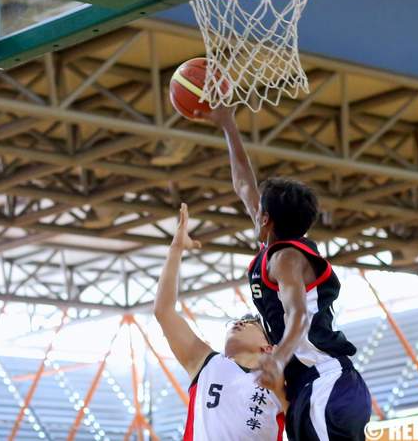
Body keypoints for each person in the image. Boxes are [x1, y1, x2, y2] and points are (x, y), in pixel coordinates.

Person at [204, 107, 372, 441]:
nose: (253, 210)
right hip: (308, 388)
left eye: (259, 211)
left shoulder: (286, 259)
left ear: (265, 219)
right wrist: (227, 124)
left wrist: (278, 359)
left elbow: (297, 315)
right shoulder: (277, 246)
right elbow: (243, 183)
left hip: (326, 381)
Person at [154, 204, 287, 441]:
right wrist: (176, 249)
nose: (239, 323)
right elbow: (163, 311)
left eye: (250, 323)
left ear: (268, 347)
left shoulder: (281, 379)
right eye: (236, 321)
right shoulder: (205, 363)